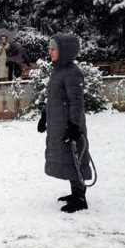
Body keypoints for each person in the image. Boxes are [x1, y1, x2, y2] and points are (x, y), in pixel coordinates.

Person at [37, 34, 91, 213]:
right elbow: (53, 98)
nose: (50, 52)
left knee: (75, 158)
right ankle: (74, 193)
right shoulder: (58, 71)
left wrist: (74, 126)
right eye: (50, 48)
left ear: (64, 51)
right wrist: (44, 116)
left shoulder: (72, 72)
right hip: (59, 124)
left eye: (53, 49)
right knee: (68, 158)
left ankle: (80, 198)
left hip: (70, 125)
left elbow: (76, 102)